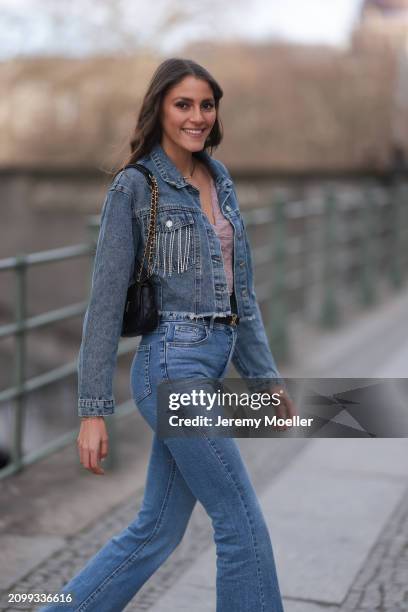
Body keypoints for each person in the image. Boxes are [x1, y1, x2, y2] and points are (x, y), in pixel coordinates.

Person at [40, 57, 295, 612]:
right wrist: (92, 409)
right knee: (240, 524)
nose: (197, 116)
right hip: (173, 368)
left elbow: (240, 298)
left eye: (207, 104)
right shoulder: (135, 188)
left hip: (212, 363)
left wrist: (266, 379)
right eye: (184, 104)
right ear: (159, 108)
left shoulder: (220, 180)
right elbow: (104, 305)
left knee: (155, 530)